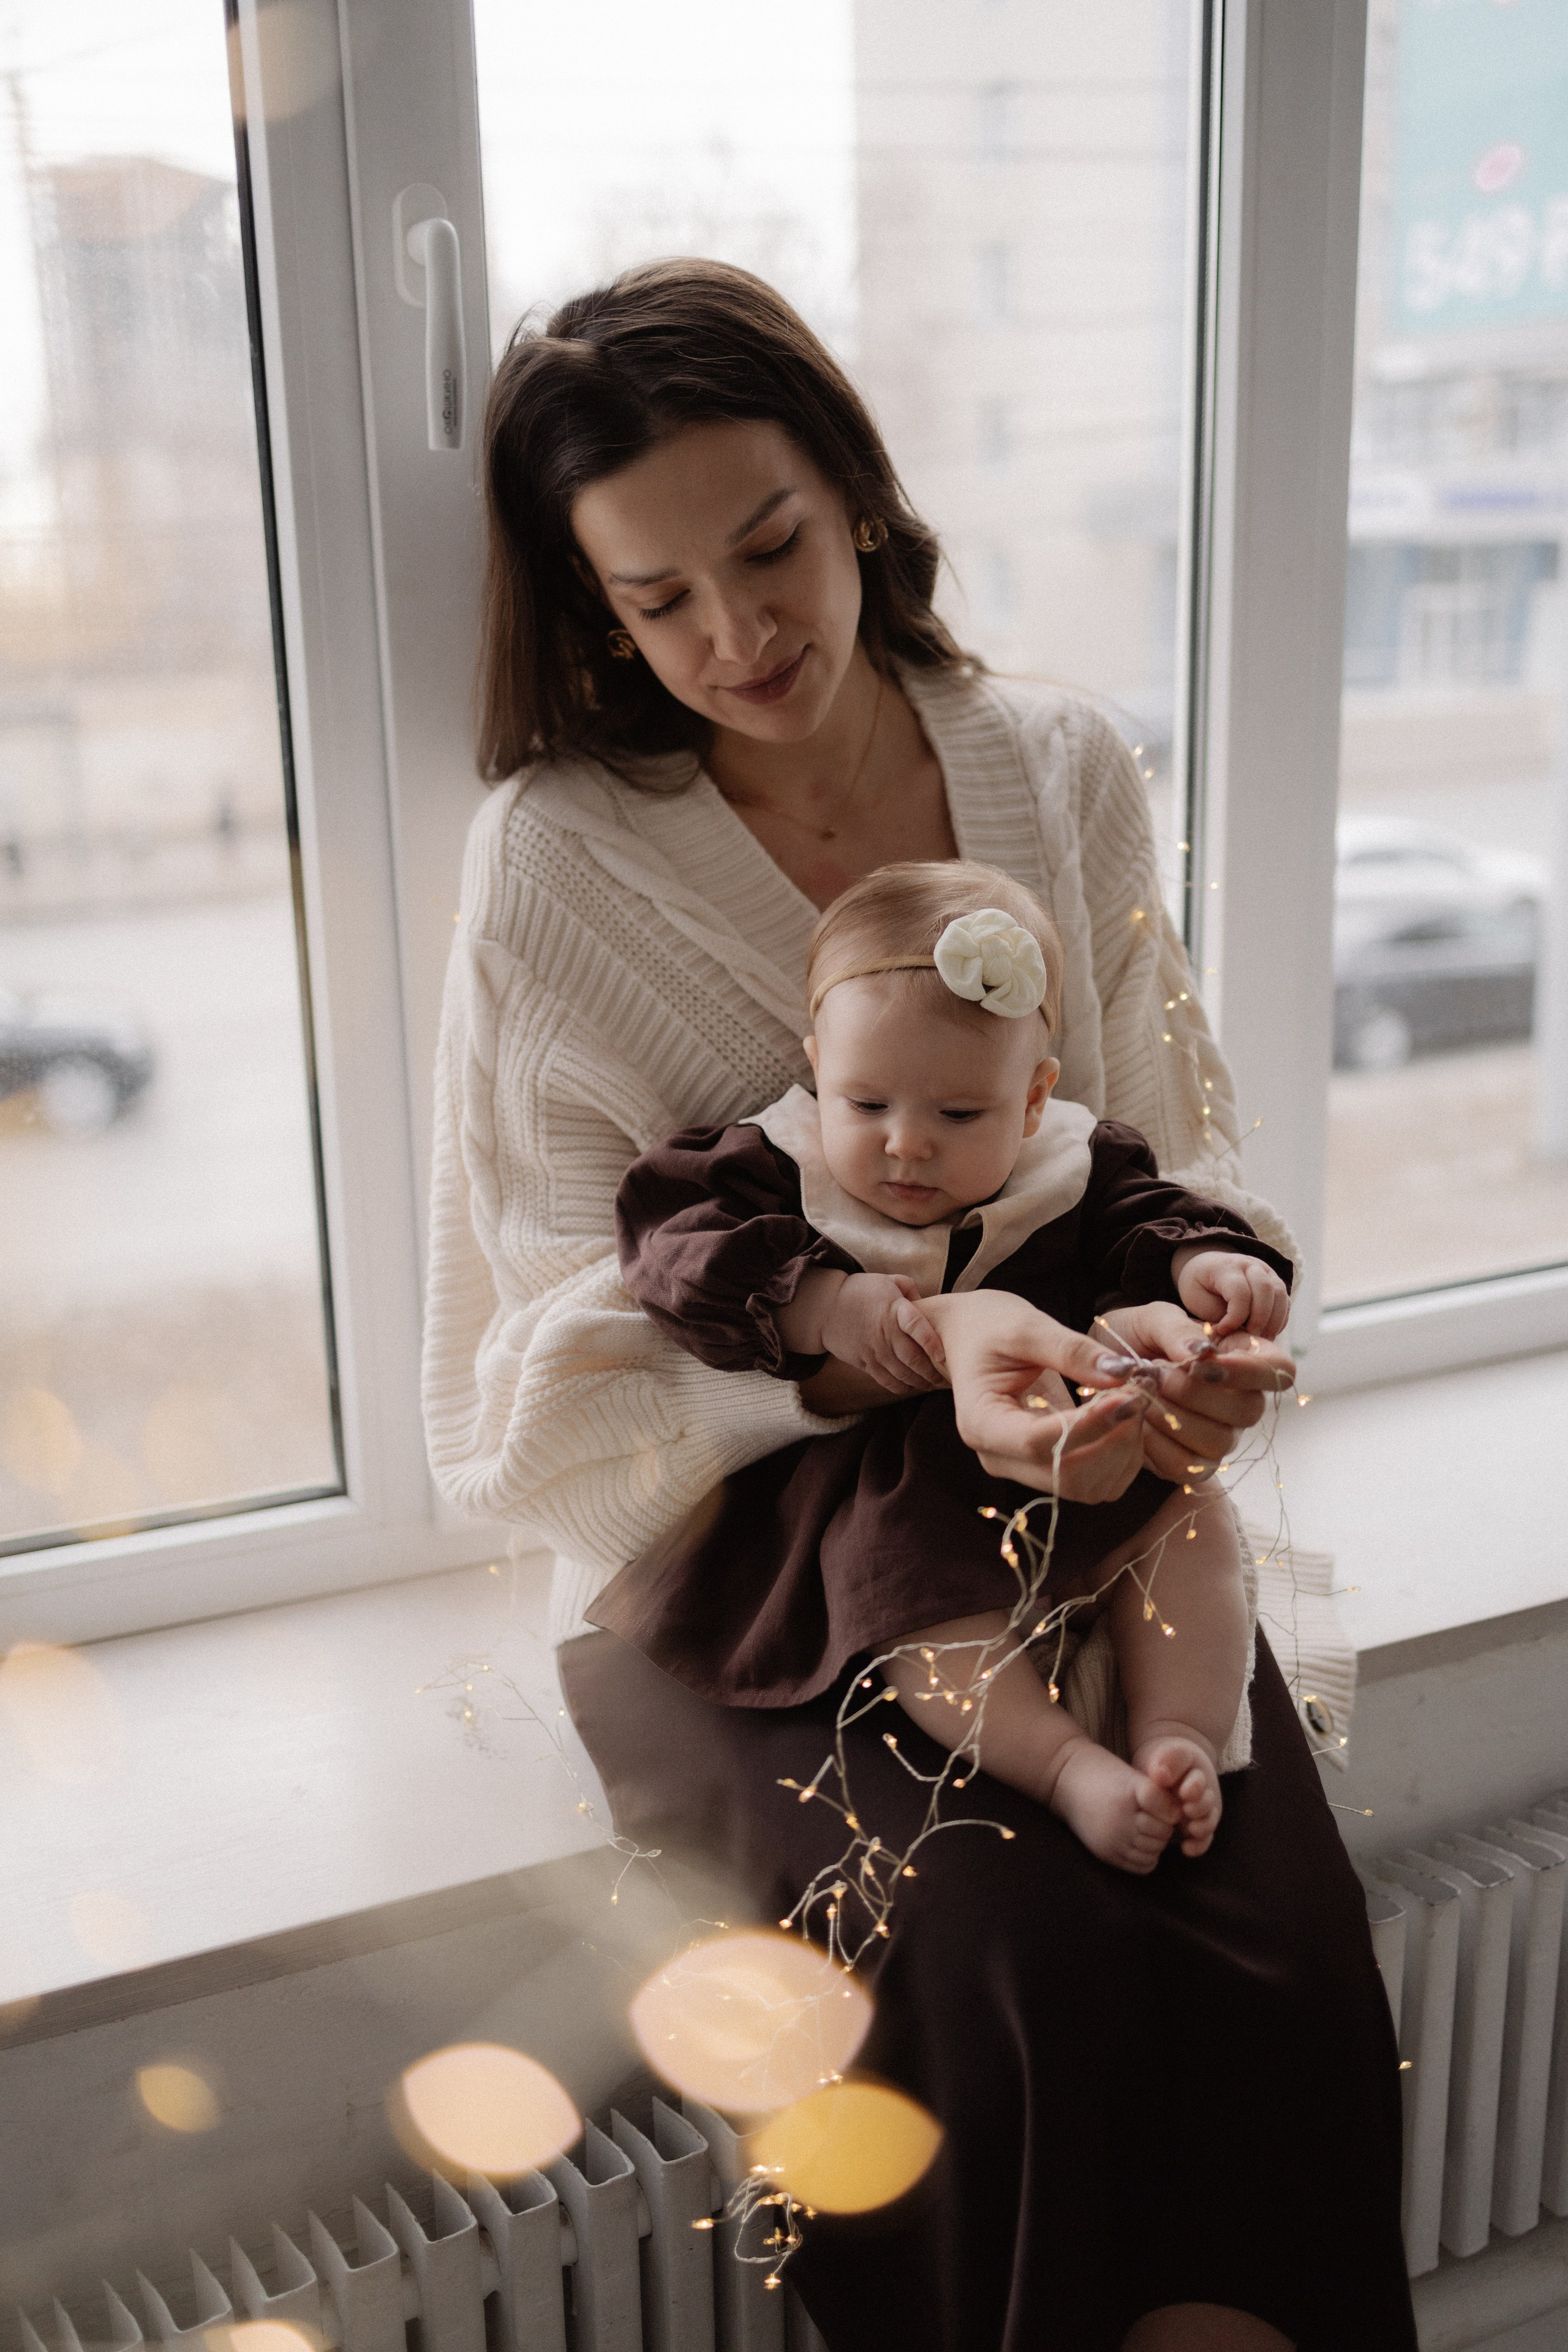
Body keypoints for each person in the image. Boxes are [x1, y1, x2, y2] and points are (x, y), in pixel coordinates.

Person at [423, 258, 1417, 2350]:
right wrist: (891, 1341)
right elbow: (537, 1362)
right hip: (752, 1557)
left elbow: (1143, 1160)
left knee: (1279, 1952)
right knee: (1003, 1966)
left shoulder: (1059, 771)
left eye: (770, 548)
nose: (739, 635)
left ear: (858, 494)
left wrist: (1175, 1350)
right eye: (659, 598)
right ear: (593, 612)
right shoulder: (560, 862)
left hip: (1091, 1495)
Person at [604, 860, 1295, 1873]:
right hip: (892, 1488)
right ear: (814, 1067)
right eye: (866, 1102)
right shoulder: (772, 1163)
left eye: (959, 1116)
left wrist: (1209, 1261)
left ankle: (1178, 1733)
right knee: (915, 1603)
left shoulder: (1075, 1161)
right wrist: (821, 1305)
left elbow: (1151, 1218)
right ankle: (1063, 1767)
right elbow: (667, 1252)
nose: (905, 1146)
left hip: (1077, 1439)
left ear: (1033, 1100)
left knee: (1190, 1519)